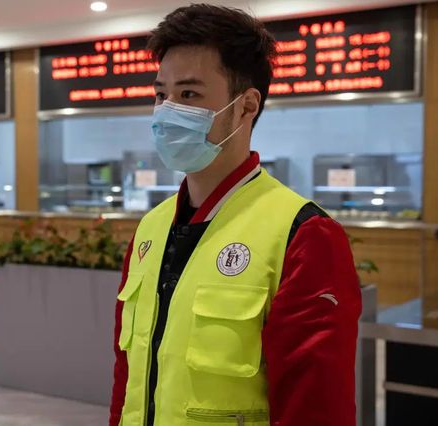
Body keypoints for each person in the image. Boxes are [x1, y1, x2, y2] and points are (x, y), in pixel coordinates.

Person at [109, 4, 361, 426]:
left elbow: (316, 406)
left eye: (189, 95)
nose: (166, 112)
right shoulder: (151, 228)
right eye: (161, 95)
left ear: (246, 106)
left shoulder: (301, 234)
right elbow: (127, 379)